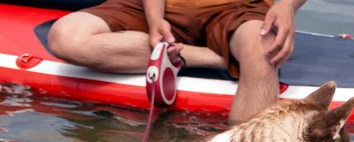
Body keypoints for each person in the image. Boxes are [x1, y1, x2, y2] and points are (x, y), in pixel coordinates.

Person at [48, 0, 307, 122]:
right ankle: (211, 58)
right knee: (65, 37)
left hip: (237, 8)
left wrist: (287, 7)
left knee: (264, 52)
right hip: (159, 6)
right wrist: (155, 20)